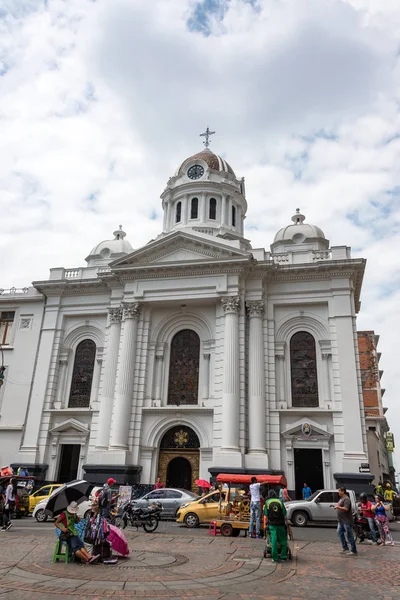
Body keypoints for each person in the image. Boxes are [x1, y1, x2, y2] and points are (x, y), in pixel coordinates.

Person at [264, 489, 288, 563]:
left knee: (273, 541)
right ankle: (283, 556)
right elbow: (284, 512)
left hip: (272, 525)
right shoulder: (280, 501)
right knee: (283, 541)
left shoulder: (267, 502)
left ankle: (275, 558)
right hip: (281, 524)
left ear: (269, 495)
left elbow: (266, 513)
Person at [334, 487, 357, 555]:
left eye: (339, 491)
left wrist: (338, 507)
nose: (338, 492)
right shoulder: (341, 499)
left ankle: (353, 550)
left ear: (343, 491)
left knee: (349, 535)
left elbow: (346, 508)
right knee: (339, 532)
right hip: (341, 520)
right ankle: (345, 548)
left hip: (346, 520)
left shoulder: (346, 499)